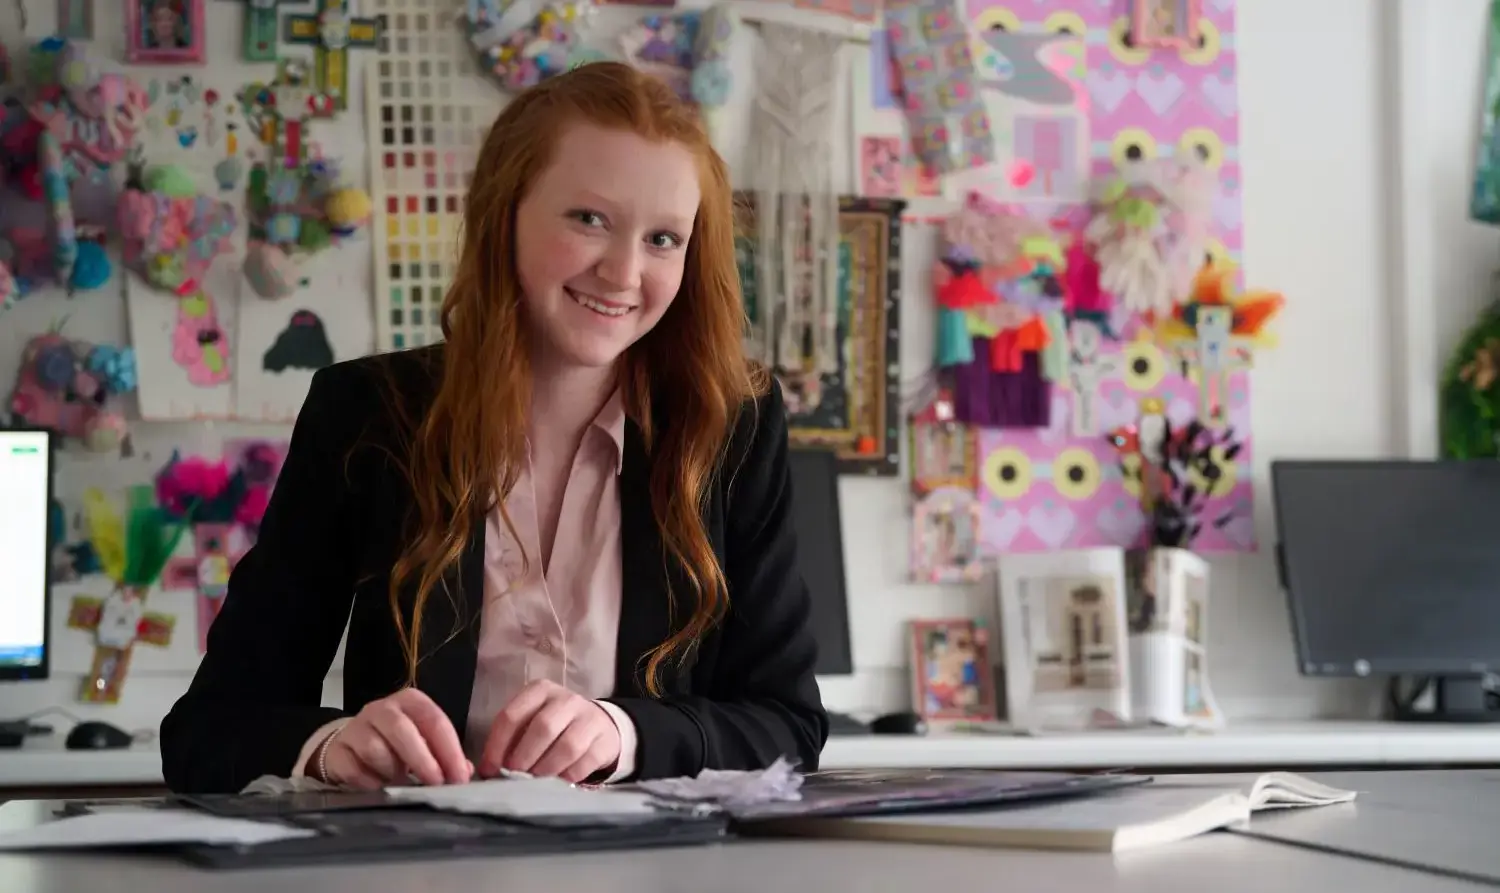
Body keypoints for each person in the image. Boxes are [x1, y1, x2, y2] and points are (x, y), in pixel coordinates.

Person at [159, 62, 829, 794]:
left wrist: (624, 732)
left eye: (664, 238)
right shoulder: (366, 412)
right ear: (504, 212)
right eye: (589, 219)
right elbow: (207, 729)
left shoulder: (732, 428)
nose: (623, 272)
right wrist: (329, 744)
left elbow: (788, 727)